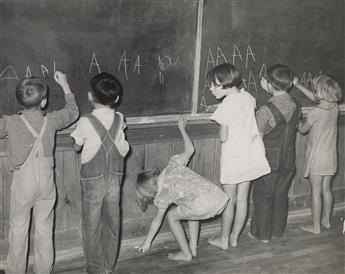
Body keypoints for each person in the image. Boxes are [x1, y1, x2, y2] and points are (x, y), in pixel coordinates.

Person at [0, 72, 79, 274]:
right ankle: (43, 270)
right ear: (44, 102)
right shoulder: (51, 120)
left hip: (23, 183)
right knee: (44, 226)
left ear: (18, 101)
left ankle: (15, 271)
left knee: (18, 227)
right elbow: (72, 112)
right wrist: (65, 85)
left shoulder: (10, 122)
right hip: (46, 182)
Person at [134, 117, 229, 261]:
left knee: (172, 216)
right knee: (189, 209)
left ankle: (186, 254)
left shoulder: (162, 196)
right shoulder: (172, 165)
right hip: (219, 197)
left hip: (203, 205)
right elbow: (190, 149)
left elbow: (156, 222)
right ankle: (192, 248)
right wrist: (182, 129)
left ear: (148, 193)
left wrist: (146, 242)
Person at [207, 63, 271, 249]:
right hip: (250, 156)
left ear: (222, 82)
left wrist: (221, 120)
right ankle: (234, 237)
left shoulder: (225, 107)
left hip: (233, 159)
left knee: (230, 201)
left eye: (213, 84)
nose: (211, 89)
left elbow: (223, 137)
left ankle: (223, 240)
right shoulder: (248, 97)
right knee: (243, 200)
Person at [71, 72, 129, 274]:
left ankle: (94, 268)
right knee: (113, 222)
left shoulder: (85, 121)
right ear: (116, 99)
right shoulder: (120, 118)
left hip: (92, 178)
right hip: (114, 176)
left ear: (90, 96)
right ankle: (108, 266)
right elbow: (123, 148)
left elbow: (77, 146)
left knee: (91, 225)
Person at [250, 64, 301, 242]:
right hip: (288, 158)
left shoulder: (265, 111)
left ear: (270, 84)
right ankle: (277, 231)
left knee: (263, 196)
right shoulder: (296, 103)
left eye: (266, 80)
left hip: (268, 161)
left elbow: (256, 139)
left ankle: (262, 234)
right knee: (280, 195)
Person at [293, 74, 342, 234]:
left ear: (320, 91)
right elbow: (317, 98)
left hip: (317, 157)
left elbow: (302, 129)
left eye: (315, 88)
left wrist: (297, 118)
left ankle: (315, 227)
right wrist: (299, 86)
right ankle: (326, 221)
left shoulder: (315, 112)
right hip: (330, 155)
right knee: (326, 188)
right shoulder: (334, 107)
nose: (314, 91)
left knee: (316, 191)